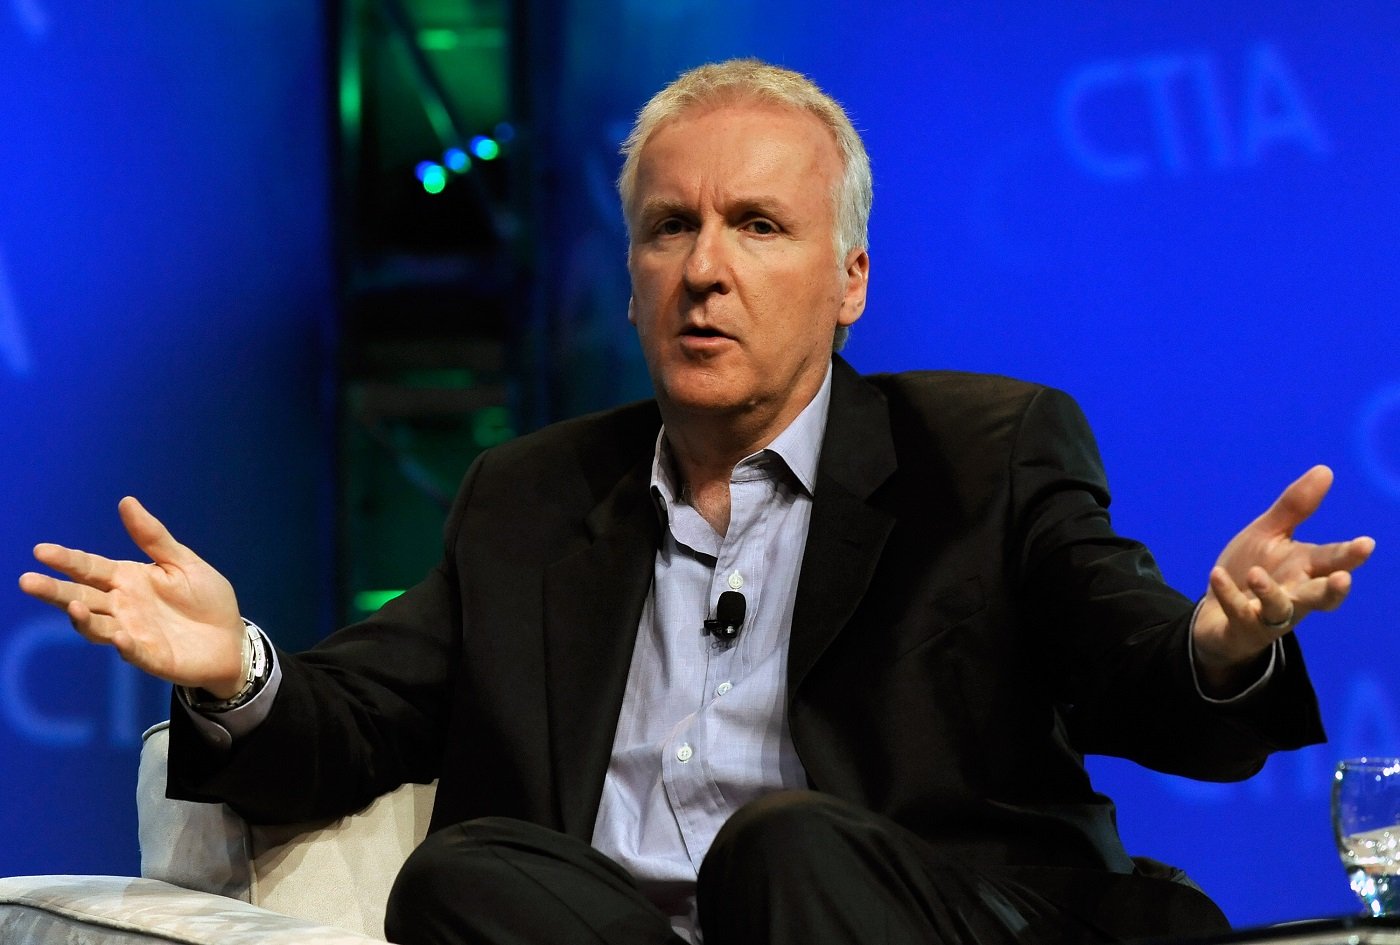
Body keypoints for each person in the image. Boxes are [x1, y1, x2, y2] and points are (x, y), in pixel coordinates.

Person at [18, 59, 1375, 945]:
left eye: (756, 227)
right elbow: (360, 709)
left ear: (850, 280)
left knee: (780, 851)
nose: (702, 270)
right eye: (670, 227)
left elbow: (1128, 657)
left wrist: (1221, 641)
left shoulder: (990, 447)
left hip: (910, 917)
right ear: (627, 278)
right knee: (462, 874)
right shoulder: (530, 496)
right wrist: (234, 665)